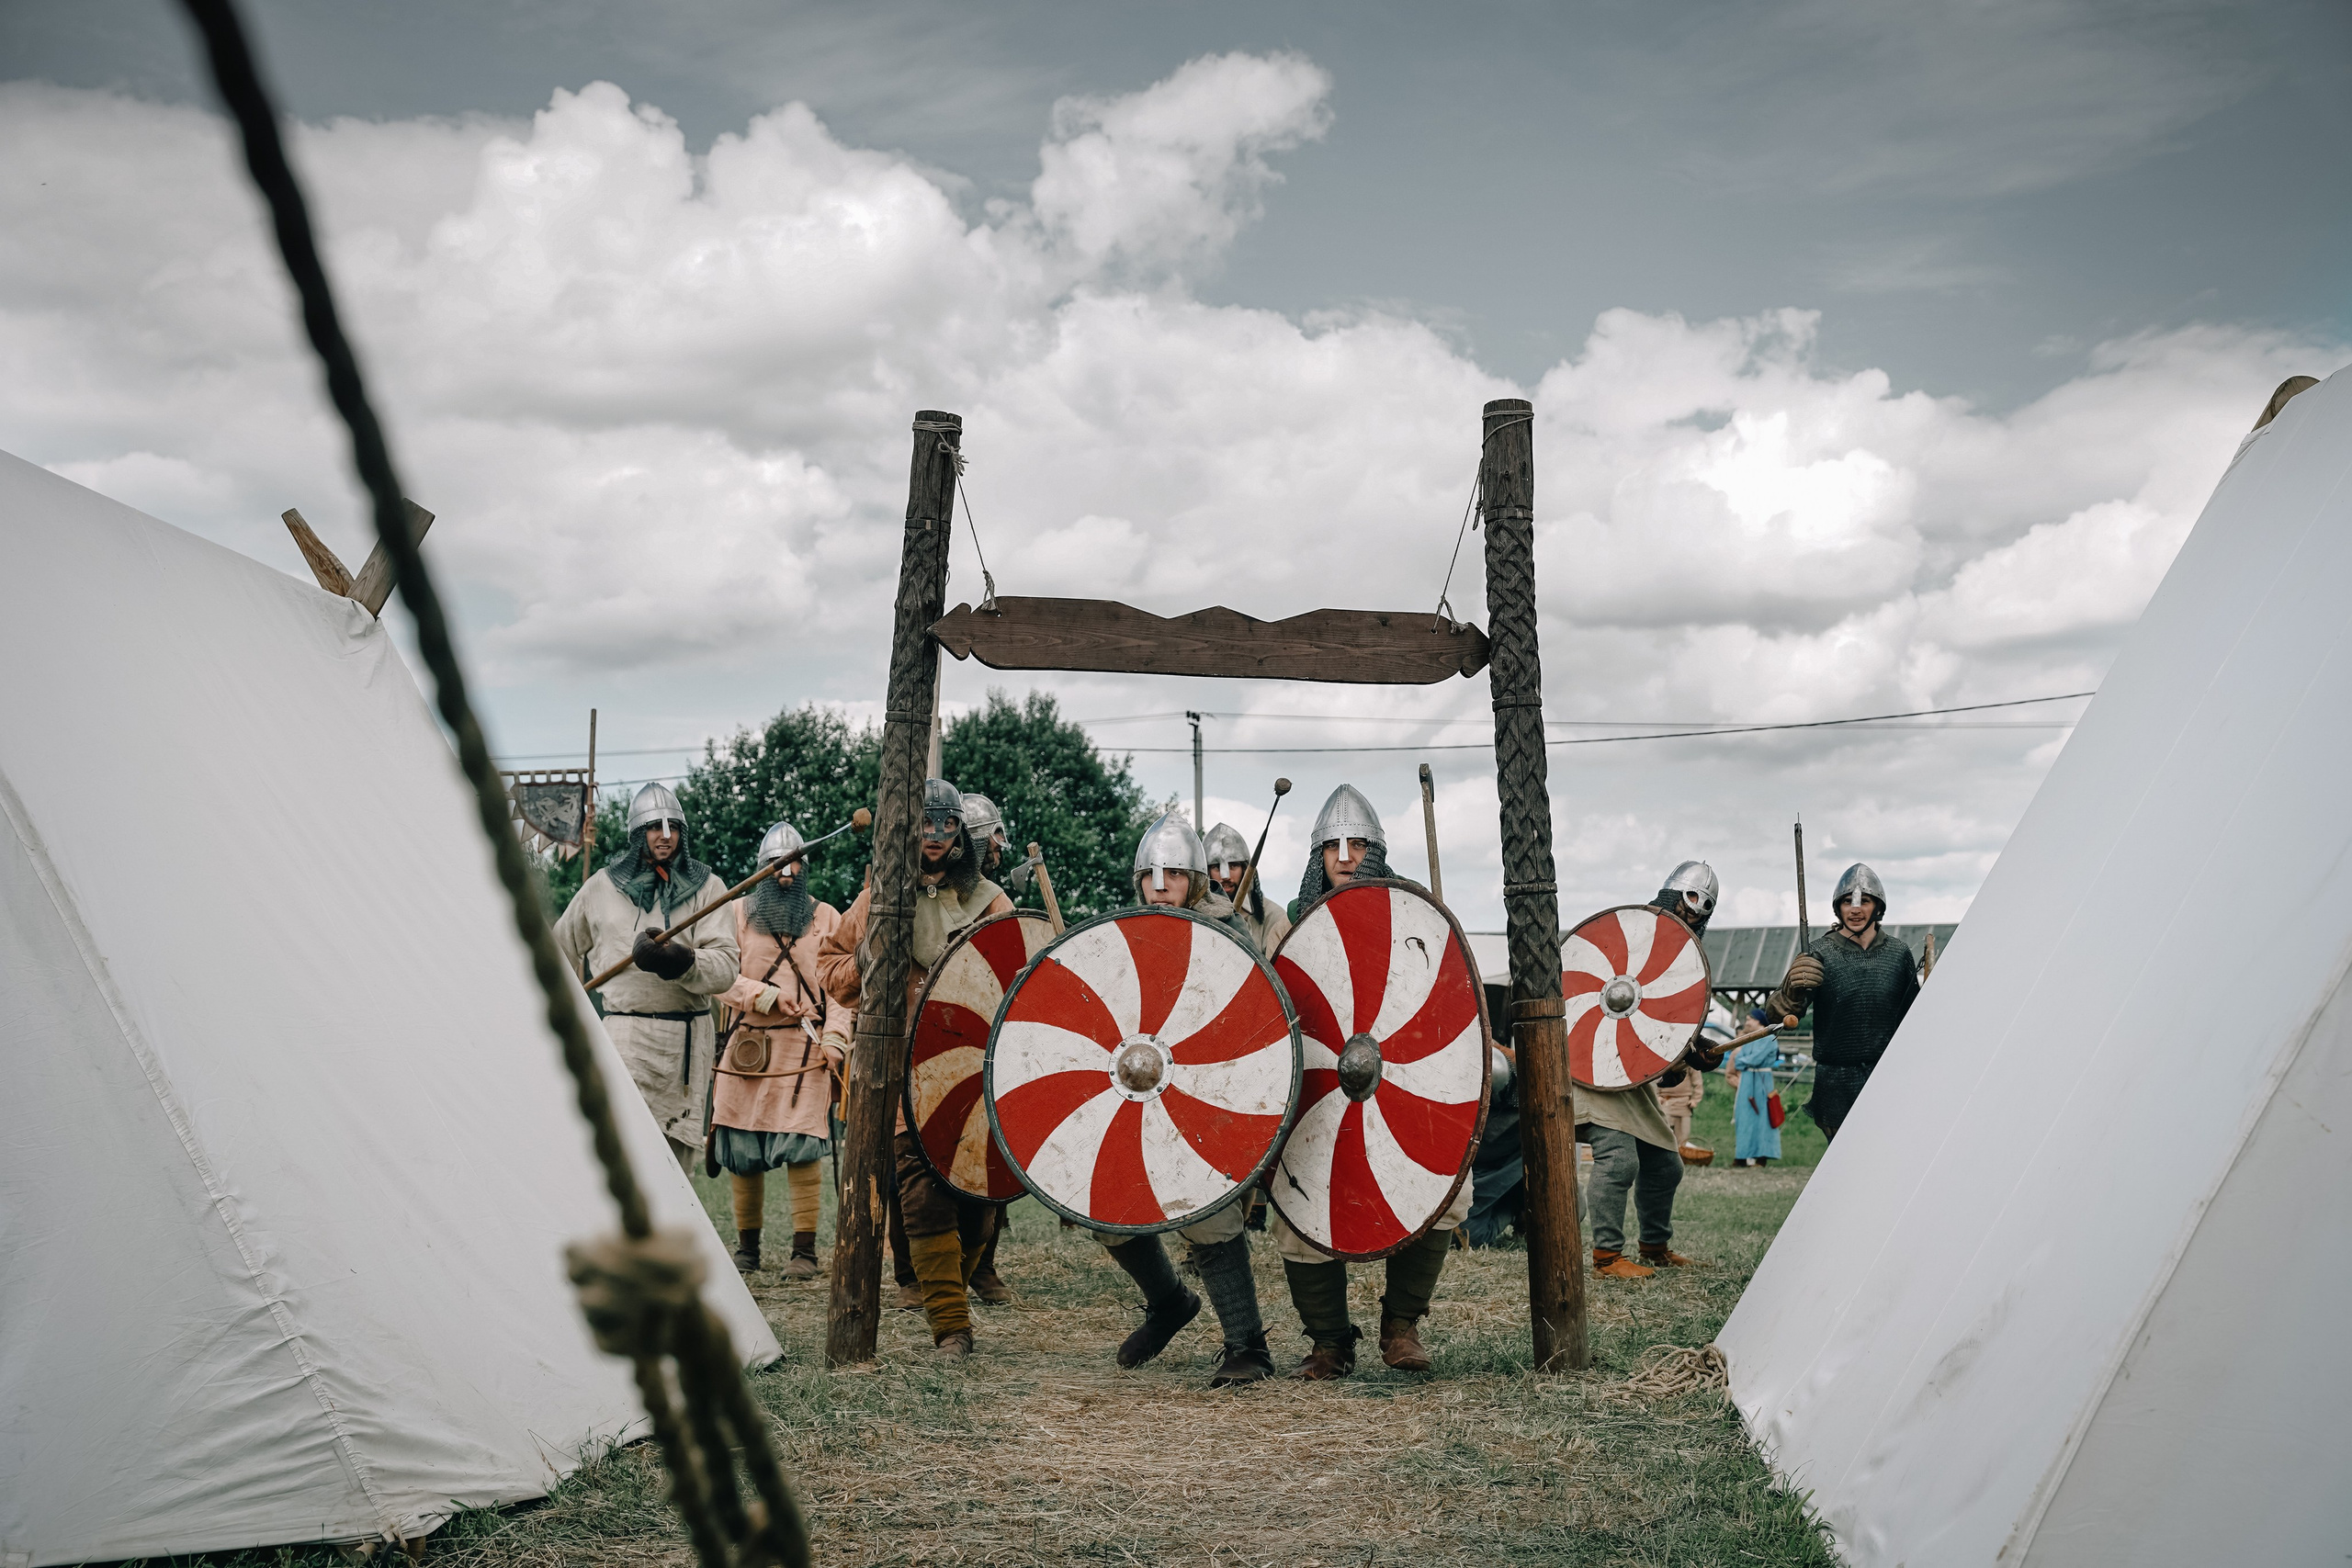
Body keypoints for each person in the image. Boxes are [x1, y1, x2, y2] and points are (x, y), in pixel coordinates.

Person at [1274, 784, 1470, 1379]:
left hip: (1402, 1083)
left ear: (1376, 850)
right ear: (1317, 857)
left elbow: (1446, 1009)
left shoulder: (1414, 917)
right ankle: (1330, 1342)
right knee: (1300, 1206)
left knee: (1442, 1193)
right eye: (1332, 845)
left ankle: (1401, 1326)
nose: (1344, 854)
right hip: (1317, 1094)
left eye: (1357, 843)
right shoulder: (1292, 924)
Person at [818, 778, 1012, 1359]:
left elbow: (1019, 977)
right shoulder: (880, 891)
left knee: (978, 1200)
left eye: (945, 825)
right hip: (903, 1066)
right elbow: (830, 966)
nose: (933, 836)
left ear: (960, 831)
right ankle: (951, 1328)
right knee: (922, 1192)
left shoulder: (990, 902)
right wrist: (874, 958)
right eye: (923, 824)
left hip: (974, 1068)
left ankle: (958, 1287)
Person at [1092, 813, 1277, 1387]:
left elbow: (1253, 1019)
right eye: (1150, 873)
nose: (1160, 884)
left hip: (1209, 1094)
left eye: (1173, 872)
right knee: (1109, 1212)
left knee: (1211, 1219)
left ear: (1193, 879)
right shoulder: (1124, 931)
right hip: (1138, 1091)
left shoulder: (1228, 933)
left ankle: (1247, 1346)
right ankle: (1169, 1302)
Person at [555, 783, 740, 1173]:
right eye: (655, 826)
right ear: (638, 832)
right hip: (623, 1036)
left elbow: (726, 968)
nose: (666, 835)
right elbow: (558, 952)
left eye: (673, 825)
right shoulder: (601, 888)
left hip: (685, 1044)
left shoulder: (709, 889)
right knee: (621, 1154)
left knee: (675, 1166)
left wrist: (682, 961)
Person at [1573, 861, 1729, 1280]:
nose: (1694, 909)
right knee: (1618, 1159)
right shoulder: (1633, 937)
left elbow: (1663, 1030)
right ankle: (1607, 1257)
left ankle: (1654, 1247)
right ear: (1670, 893)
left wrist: (1692, 1054)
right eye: (1689, 897)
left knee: (1665, 1164)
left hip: (1630, 1081)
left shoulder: (1681, 961)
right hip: (1592, 1072)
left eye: (1704, 905)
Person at [710, 821, 847, 1277]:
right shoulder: (735, 916)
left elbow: (843, 988)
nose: (785, 874)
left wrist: (835, 1039)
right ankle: (748, 1252)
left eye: (793, 865)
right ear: (762, 869)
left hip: (805, 1048)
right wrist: (762, 996)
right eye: (776, 866)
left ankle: (803, 1253)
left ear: (804, 868)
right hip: (745, 1044)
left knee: (803, 1143)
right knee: (742, 1146)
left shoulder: (827, 917)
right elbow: (718, 977)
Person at [1767, 863, 1919, 1142]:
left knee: (1887, 1157)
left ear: (1878, 907)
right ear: (1839, 907)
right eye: (1848, 901)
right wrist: (1793, 988)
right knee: (1843, 1167)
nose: (1856, 909)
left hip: (1886, 1075)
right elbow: (1780, 1016)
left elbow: (1916, 1020)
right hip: (1835, 1080)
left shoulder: (1898, 954)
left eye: (1865, 901)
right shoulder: (1819, 952)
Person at [943, 788, 1016, 1306]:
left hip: (986, 1040)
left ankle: (981, 1264)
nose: (999, 846)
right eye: (991, 838)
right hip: (929, 1037)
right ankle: (915, 1273)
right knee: (922, 1161)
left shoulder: (994, 895)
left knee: (987, 1154)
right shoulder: (927, 889)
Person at [1204, 819, 1291, 954]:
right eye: (1216, 867)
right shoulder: (1197, 915)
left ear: (1245, 870)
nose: (1225, 876)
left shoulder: (1273, 916)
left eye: (1233, 866)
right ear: (1206, 872)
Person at [1729, 1009, 1782, 1167]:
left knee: (1762, 1118)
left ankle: (1761, 1156)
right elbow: (1738, 1060)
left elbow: (1755, 1059)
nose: (1746, 1023)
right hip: (1747, 1080)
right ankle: (1742, 1156)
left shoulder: (1769, 1039)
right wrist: (1745, 1061)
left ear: (1758, 1021)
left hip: (1762, 1081)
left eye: (1749, 1019)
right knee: (1744, 1117)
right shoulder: (1748, 1038)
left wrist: (1744, 1061)